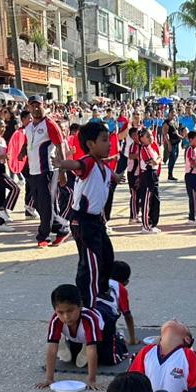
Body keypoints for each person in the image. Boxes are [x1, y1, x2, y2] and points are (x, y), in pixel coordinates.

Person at [60, 120, 118, 309]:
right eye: (104, 140)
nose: (109, 143)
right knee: (90, 264)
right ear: (91, 144)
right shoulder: (89, 162)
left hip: (96, 221)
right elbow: (77, 164)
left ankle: (100, 292)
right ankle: (88, 304)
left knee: (107, 256)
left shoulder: (103, 166)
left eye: (108, 139)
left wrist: (117, 177)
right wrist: (62, 163)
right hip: (82, 220)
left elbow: (111, 177)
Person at [37, 283, 106, 390]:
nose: (66, 316)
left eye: (70, 311)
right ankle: (62, 342)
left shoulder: (89, 319)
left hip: (101, 332)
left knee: (108, 358)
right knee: (70, 358)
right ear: (55, 310)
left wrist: (92, 380)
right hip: (75, 337)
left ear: (80, 306)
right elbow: (51, 347)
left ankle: (87, 343)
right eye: (60, 312)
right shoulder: (56, 319)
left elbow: (92, 349)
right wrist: (49, 379)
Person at [24, 96, 69, 248]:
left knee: (46, 204)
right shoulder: (29, 126)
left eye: (38, 105)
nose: (36, 108)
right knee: (37, 204)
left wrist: (63, 170)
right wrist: (22, 153)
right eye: (33, 106)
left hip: (47, 170)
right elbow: (29, 143)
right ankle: (62, 228)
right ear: (28, 108)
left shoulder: (50, 124)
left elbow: (60, 146)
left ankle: (43, 236)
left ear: (44, 106)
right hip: (33, 171)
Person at [134, 127, 162, 234]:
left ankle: (153, 223)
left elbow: (159, 159)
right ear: (141, 139)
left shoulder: (152, 147)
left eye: (151, 135)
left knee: (156, 200)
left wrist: (158, 159)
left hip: (154, 175)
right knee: (147, 201)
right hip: (147, 175)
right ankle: (146, 225)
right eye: (148, 136)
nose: (151, 138)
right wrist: (158, 159)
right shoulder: (144, 149)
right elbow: (153, 162)